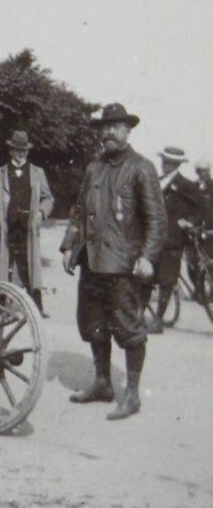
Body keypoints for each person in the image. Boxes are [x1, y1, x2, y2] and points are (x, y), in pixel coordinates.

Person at [60, 103, 166, 420]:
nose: (109, 132)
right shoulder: (94, 168)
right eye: (105, 127)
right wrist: (69, 246)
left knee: (129, 329)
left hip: (124, 266)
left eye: (116, 127)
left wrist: (147, 256)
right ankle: (103, 384)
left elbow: (157, 219)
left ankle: (132, 394)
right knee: (93, 324)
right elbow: (79, 210)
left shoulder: (141, 168)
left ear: (127, 131)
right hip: (92, 262)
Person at [0, 130, 54, 318]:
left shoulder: (37, 173)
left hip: (28, 227)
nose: (21, 154)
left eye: (24, 150)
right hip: (7, 226)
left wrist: (41, 213)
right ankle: (1, 305)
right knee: (5, 265)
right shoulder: (0, 173)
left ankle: (36, 307)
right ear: (11, 151)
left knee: (30, 265)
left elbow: (48, 199)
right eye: (17, 150)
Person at [147, 147, 200, 333]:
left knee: (166, 280)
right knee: (145, 276)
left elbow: (200, 208)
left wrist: (188, 221)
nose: (165, 164)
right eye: (164, 160)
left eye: (169, 162)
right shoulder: (158, 182)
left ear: (177, 164)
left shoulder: (187, 185)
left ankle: (158, 320)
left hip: (172, 239)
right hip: (152, 238)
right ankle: (140, 315)